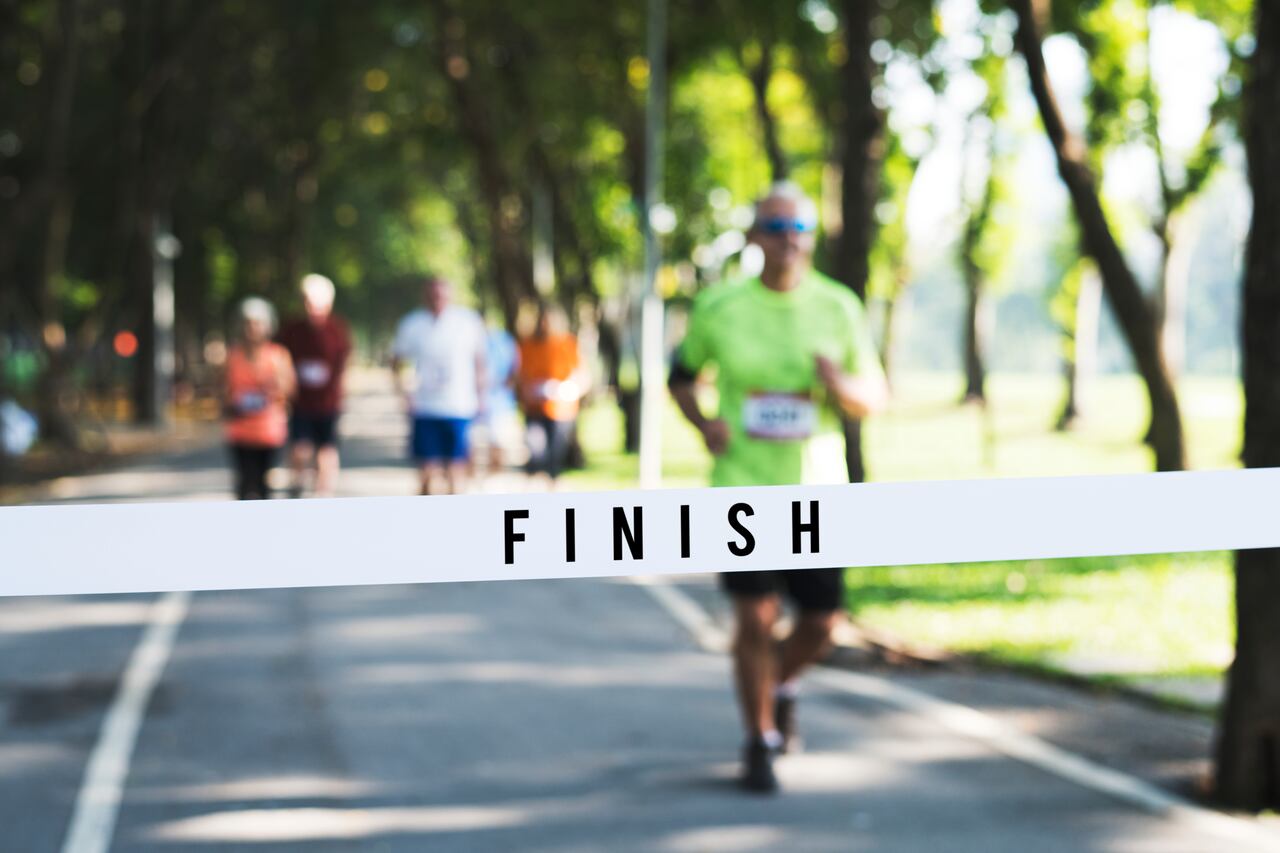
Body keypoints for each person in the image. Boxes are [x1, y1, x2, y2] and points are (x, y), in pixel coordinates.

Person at [668, 182, 888, 793]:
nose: (787, 240)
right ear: (754, 237)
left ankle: (781, 683)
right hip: (742, 485)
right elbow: (681, 376)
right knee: (756, 618)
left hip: (816, 490)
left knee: (822, 623)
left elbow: (874, 397)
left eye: (797, 230)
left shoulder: (838, 306)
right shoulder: (720, 306)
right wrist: (703, 423)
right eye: (775, 228)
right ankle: (759, 740)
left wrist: (838, 383)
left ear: (810, 238)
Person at [390, 275, 487, 495]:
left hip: (459, 406)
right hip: (425, 407)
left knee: (456, 470)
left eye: (442, 295)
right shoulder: (412, 324)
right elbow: (397, 362)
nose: (438, 299)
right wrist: (404, 394)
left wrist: (481, 396)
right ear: (425, 296)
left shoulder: (467, 322)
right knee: (427, 472)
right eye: (433, 295)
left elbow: (480, 362)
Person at [277, 274, 352, 498]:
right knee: (299, 448)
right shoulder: (292, 330)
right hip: (300, 402)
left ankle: (324, 493)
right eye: (308, 303)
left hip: (328, 403)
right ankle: (297, 486)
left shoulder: (337, 330)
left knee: (326, 450)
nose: (312, 309)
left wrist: (342, 393)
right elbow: (281, 360)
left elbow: (345, 364)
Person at [223, 298, 294, 500]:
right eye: (248, 324)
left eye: (257, 323)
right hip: (240, 431)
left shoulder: (278, 355)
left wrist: (274, 385)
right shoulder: (233, 356)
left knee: (265, 487)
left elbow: (289, 390)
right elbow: (224, 390)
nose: (252, 329)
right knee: (244, 484)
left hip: (269, 432)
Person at [517, 304, 583, 489]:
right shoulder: (528, 345)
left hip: (561, 410)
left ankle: (553, 488)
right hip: (535, 408)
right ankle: (534, 487)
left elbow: (581, 375)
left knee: (555, 457)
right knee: (535, 450)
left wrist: (567, 389)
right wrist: (529, 390)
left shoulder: (568, 344)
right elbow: (521, 375)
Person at [472, 318, 521, 478]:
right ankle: (476, 478)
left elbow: (514, 369)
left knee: (499, 443)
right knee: (473, 445)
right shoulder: (471, 342)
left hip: (500, 402)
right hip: (475, 402)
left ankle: (494, 477)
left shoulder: (504, 341)